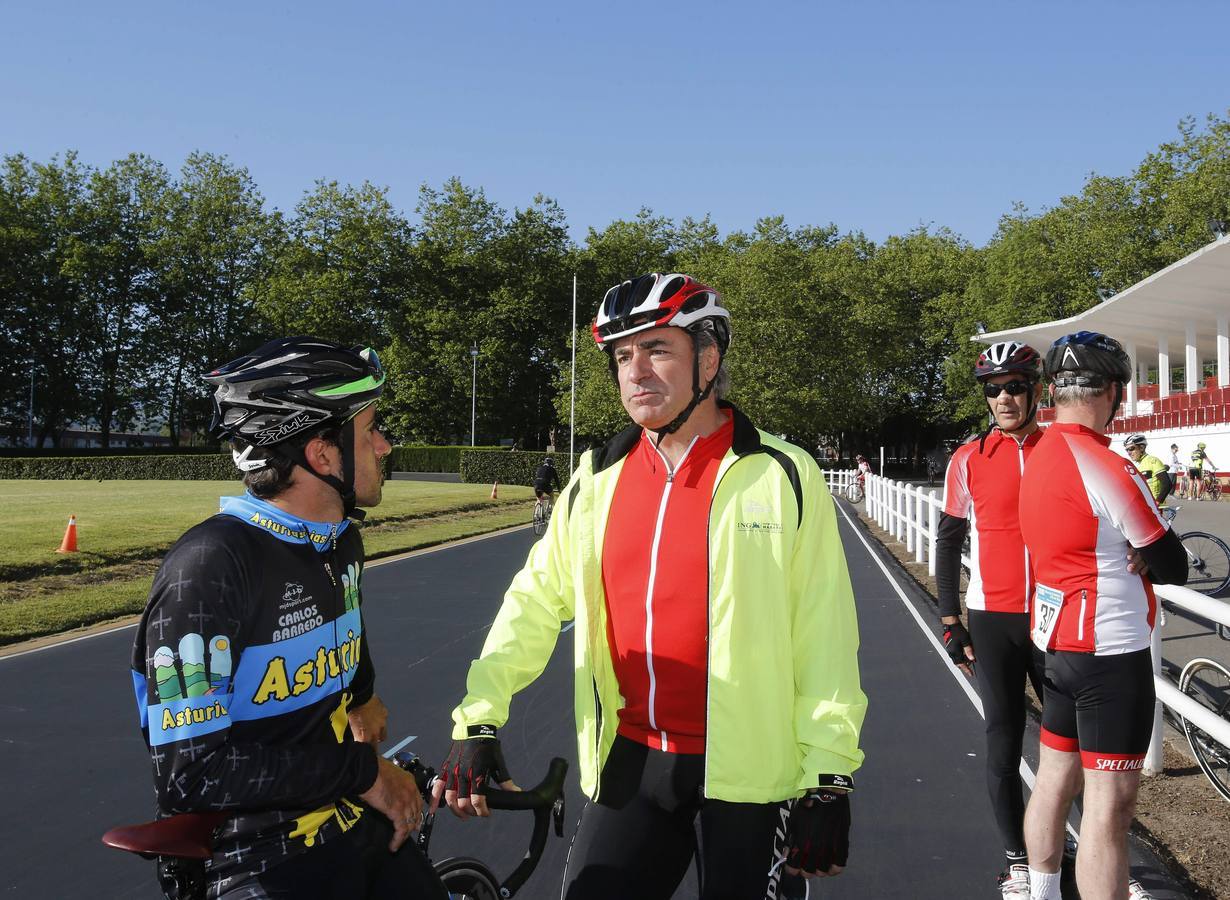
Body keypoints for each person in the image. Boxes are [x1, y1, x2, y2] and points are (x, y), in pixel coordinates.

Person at [434, 273, 866, 900]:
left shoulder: (783, 475)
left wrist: (829, 777)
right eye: (622, 356)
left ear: (708, 360)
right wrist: (479, 718)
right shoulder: (596, 479)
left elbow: (824, 632)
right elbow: (532, 601)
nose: (635, 371)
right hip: (634, 758)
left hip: (752, 774)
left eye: (658, 349)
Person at [130, 337, 445, 900]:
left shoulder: (339, 541)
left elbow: (346, 629)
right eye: (371, 428)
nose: (385, 445)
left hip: (350, 824)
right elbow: (192, 774)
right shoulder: (211, 567)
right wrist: (365, 773)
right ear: (323, 455)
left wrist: (363, 692)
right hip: (256, 859)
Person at [1018, 332, 1187, 900]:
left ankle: (1040, 891)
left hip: (1058, 646)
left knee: (1052, 784)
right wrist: (1144, 552)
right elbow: (1173, 564)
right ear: (1111, 392)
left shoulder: (1037, 454)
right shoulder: (1107, 465)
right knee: (1108, 814)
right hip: (1110, 654)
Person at [935, 340, 1046, 898]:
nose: (1003, 397)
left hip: (1058, 618)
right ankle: (1018, 861)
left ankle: (1090, 852)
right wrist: (950, 618)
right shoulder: (968, 458)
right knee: (1003, 740)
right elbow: (949, 539)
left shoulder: (1063, 449)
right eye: (993, 389)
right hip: (994, 618)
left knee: (1075, 745)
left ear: (1036, 391)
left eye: (1014, 387)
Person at [1123, 434, 1171, 505]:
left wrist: (1157, 502)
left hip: (1156, 508)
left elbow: (1167, 484)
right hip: (1146, 506)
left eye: (1131, 449)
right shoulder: (1139, 464)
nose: (1129, 453)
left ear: (1141, 448)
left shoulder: (1153, 460)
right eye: (1127, 450)